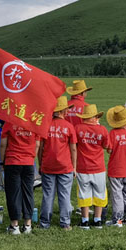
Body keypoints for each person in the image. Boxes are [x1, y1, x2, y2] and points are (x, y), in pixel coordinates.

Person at [37, 96, 77, 230]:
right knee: (64, 195)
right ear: (63, 111)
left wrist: (40, 163)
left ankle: (44, 223)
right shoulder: (69, 127)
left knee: (48, 194)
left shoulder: (45, 125)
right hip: (65, 166)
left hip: (48, 165)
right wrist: (74, 167)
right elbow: (73, 148)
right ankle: (65, 223)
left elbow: (41, 147)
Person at [0, 110, 43, 235]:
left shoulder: (10, 122)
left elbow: (3, 144)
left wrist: (2, 162)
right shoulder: (34, 122)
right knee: (28, 192)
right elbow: (37, 144)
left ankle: (15, 225)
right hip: (28, 162)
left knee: (13, 193)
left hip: (13, 161)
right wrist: (31, 157)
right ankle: (28, 224)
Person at [74, 104, 108, 229]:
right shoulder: (103, 130)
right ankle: (98, 219)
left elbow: (74, 144)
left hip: (83, 167)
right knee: (100, 193)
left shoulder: (78, 128)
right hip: (98, 167)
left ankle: (84, 220)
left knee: (84, 193)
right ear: (95, 117)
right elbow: (106, 146)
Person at [104, 105, 126, 227]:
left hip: (115, 168)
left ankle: (117, 219)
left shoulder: (113, 133)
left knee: (117, 193)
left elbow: (109, 149)